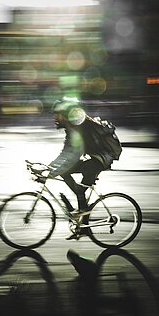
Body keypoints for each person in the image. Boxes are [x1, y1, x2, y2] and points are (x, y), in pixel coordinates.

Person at [43, 97, 114, 238]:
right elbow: (65, 153)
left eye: (57, 114)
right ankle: (83, 226)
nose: (55, 117)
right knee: (68, 176)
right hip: (94, 158)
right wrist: (49, 167)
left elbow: (74, 154)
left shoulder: (78, 127)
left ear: (64, 113)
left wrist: (54, 171)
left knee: (78, 186)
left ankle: (81, 213)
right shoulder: (71, 127)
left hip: (100, 160)